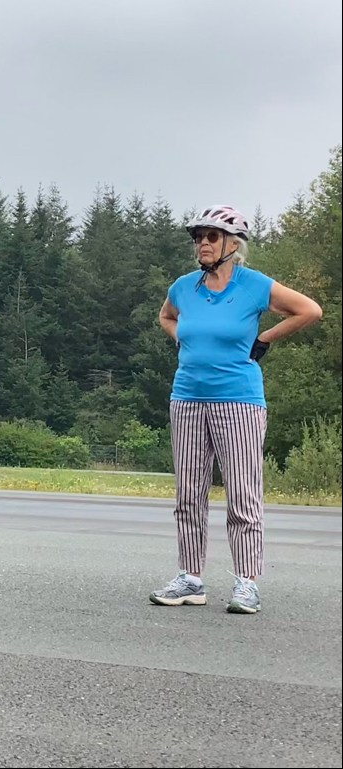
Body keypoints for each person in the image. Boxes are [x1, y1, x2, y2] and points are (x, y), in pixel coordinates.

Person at [151, 205, 322, 614]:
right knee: (188, 494)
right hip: (188, 398)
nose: (203, 244)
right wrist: (182, 340)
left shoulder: (253, 285)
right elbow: (165, 317)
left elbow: (310, 310)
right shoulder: (183, 287)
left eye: (211, 237)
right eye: (198, 238)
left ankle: (246, 582)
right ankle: (191, 578)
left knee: (243, 495)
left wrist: (265, 338)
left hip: (239, 402)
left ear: (233, 243)